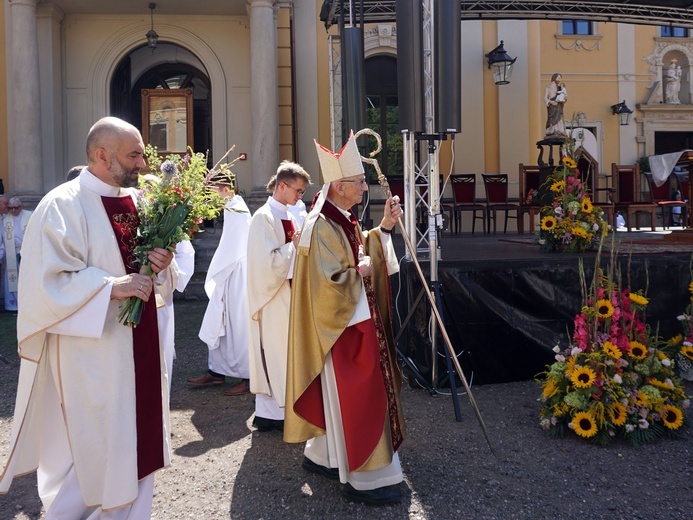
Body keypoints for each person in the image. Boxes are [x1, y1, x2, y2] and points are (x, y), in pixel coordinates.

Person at [0, 116, 175, 518]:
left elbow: (155, 277)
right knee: (102, 441)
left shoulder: (140, 201)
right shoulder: (61, 205)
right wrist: (111, 286)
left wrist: (160, 265)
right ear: (101, 155)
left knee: (140, 437)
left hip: (141, 343)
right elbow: (47, 283)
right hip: (94, 352)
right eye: (134, 155)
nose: (143, 164)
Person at [284, 132, 406, 506]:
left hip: (352, 320)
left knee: (340, 394)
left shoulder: (340, 217)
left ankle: (324, 455)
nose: (363, 187)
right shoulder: (321, 225)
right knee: (359, 392)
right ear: (337, 187)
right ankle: (367, 477)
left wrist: (383, 228)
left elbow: (358, 246)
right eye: (357, 182)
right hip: (343, 328)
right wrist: (362, 273)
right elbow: (329, 283)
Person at [247, 161, 311, 432]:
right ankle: (270, 415)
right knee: (274, 353)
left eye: (302, 192)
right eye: (297, 190)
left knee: (287, 354)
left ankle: (285, 413)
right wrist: (293, 247)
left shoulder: (289, 214)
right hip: (272, 298)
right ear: (281, 186)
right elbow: (264, 264)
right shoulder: (263, 217)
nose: (300, 196)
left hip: (290, 294)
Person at [192, 174, 252, 396]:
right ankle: (216, 372)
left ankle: (247, 377)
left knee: (238, 326)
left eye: (212, 191)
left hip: (237, 275)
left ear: (224, 188)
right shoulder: (231, 206)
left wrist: (217, 271)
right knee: (220, 321)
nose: (211, 197)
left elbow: (234, 248)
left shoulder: (237, 209)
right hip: (230, 272)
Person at [0, 197, 32, 311]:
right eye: (10, 208)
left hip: (28, 253)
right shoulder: (4, 219)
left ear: (21, 207)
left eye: (16, 208)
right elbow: (3, 240)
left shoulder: (30, 216)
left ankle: (29, 304)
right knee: (13, 280)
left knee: (28, 279)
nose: (13, 210)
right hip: (12, 254)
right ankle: (14, 306)